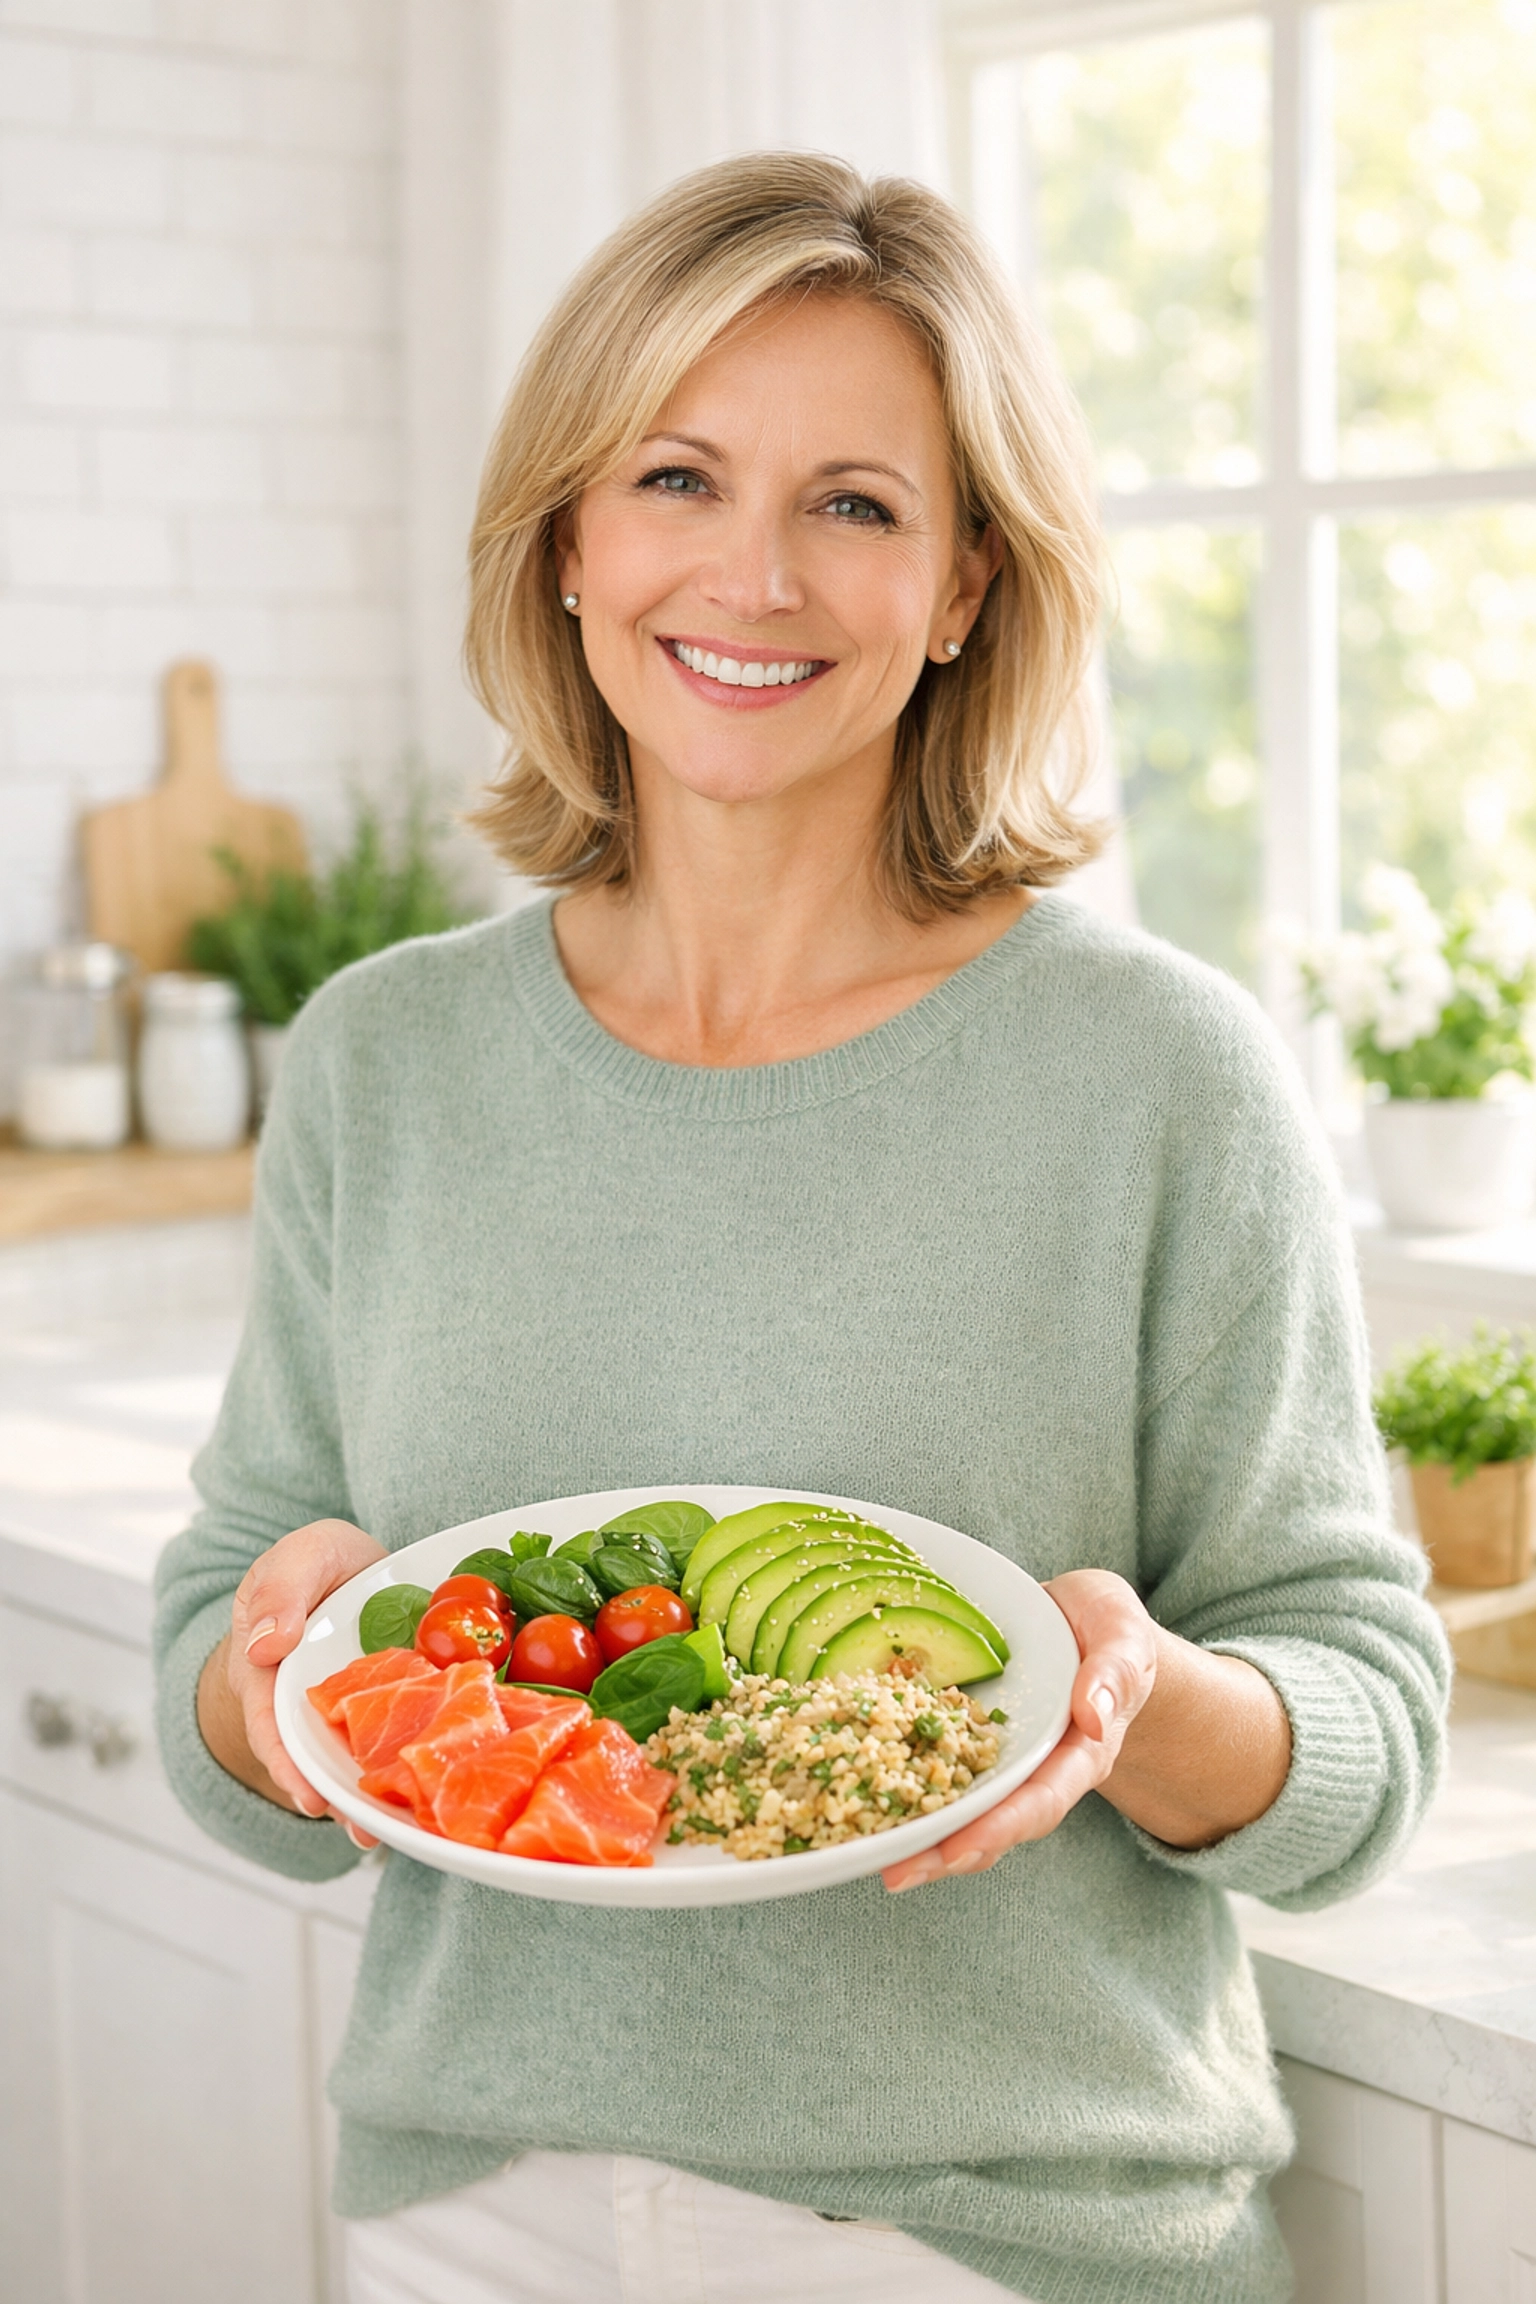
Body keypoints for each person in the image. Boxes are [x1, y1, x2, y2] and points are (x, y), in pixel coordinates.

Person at [155, 152, 1449, 2304]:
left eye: (855, 503)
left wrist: (1133, 1701)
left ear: (961, 587)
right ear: (572, 542)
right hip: (480, 2217)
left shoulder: (1159, 1074)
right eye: (678, 477)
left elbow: (1366, 1726)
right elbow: (233, 1632)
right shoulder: (386, 1058)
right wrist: (259, 1671)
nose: (752, 576)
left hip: (1006, 2241)